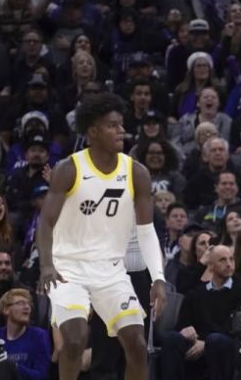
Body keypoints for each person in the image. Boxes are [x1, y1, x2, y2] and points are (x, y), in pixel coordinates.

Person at [37, 93, 166, 380]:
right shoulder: (69, 168)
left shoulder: (137, 172)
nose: (121, 131)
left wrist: (158, 277)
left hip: (111, 270)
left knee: (137, 343)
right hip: (69, 268)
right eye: (112, 125)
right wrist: (46, 265)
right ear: (93, 131)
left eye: (121, 125)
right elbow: (45, 222)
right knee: (74, 339)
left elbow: (146, 231)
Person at [161, 244, 241, 380]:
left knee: (215, 341)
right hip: (196, 342)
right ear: (211, 266)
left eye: (231, 259)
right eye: (222, 260)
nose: (229, 264)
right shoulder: (196, 293)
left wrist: (205, 344)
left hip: (225, 344)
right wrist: (186, 329)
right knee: (171, 339)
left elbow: (237, 329)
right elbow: (181, 324)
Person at [0, 289, 52, 380]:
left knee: (5, 366)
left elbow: (41, 375)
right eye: (20, 303)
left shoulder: (39, 336)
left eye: (28, 304)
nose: (27, 307)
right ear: (6, 309)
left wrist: (13, 367)